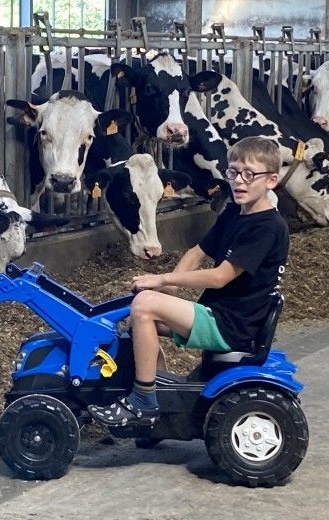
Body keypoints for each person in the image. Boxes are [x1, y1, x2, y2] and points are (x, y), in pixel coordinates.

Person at [88, 136, 290, 427]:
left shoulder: (268, 227)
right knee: (139, 318)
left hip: (232, 324)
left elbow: (220, 277)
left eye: (249, 174)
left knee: (144, 305)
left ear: (271, 180)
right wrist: (170, 290)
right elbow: (197, 253)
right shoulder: (235, 211)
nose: (239, 181)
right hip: (221, 314)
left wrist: (162, 278)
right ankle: (160, 399)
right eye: (233, 172)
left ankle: (143, 401)